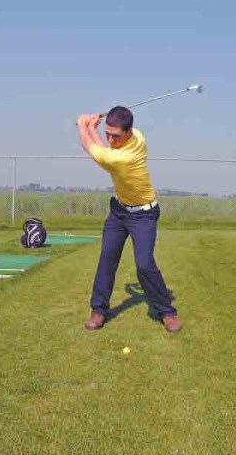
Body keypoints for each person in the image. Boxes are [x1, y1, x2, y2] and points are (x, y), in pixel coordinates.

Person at [76, 107, 181, 333]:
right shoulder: (134, 138)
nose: (111, 139)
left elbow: (92, 147)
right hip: (118, 212)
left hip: (144, 214)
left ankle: (166, 311)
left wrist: (83, 125)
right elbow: (105, 149)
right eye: (108, 133)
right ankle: (98, 309)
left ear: (129, 132)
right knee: (107, 258)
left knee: (144, 264)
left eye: (116, 135)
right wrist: (95, 129)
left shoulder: (126, 155)